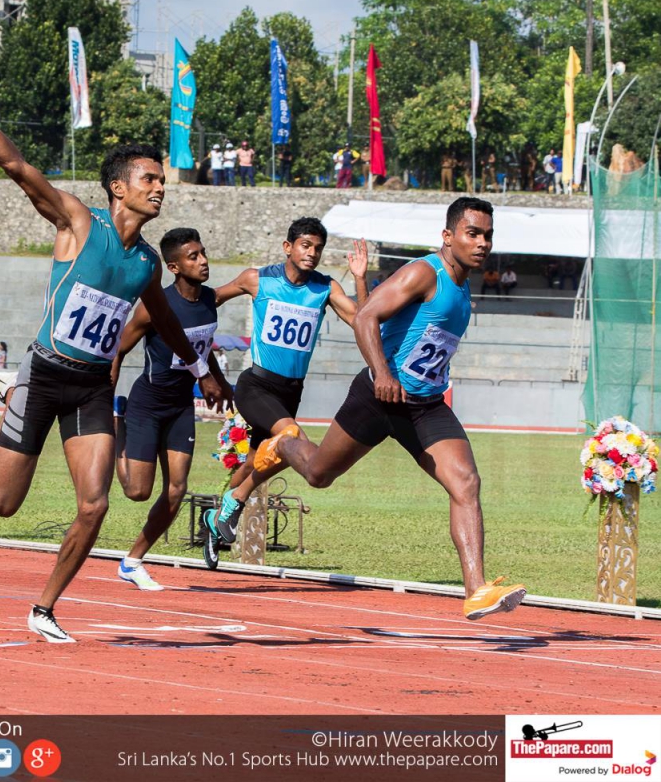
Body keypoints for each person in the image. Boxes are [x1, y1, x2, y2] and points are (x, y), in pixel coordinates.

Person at [0, 61, 224, 643]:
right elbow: (16, 166)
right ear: (119, 187)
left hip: (92, 386)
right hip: (43, 375)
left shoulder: (145, 262)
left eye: (162, 181)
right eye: (149, 180)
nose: (160, 188)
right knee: (0, 506)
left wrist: (201, 368)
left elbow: (163, 318)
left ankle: (44, 608)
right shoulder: (75, 221)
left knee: (95, 505)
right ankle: (2, 415)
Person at [252, 197, 527, 621]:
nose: (482, 242)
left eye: (488, 235)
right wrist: (382, 373)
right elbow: (365, 317)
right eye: (473, 233)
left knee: (466, 483)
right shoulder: (424, 272)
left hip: (426, 406)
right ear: (448, 236)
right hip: (380, 397)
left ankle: (476, 590)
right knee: (318, 474)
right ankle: (284, 445)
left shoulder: (464, 281)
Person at [203, 219, 369, 548]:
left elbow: (362, 320)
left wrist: (361, 279)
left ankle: (217, 514)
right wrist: (189, 334)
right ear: (288, 247)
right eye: (306, 245)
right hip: (256, 386)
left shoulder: (325, 288)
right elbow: (212, 299)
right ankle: (235, 501)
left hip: (291, 392)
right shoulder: (258, 279)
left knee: (257, 460)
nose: (312, 253)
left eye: (318, 248)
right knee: (294, 442)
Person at [110, 228, 231, 590]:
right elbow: (118, 349)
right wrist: (105, 395)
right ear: (174, 267)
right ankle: (119, 424)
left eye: (204, 253)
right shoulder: (154, 306)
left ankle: (132, 561)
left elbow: (202, 345)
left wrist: (220, 382)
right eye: (193, 256)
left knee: (177, 488)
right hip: (147, 403)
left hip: (180, 406)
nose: (204, 260)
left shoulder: (210, 299)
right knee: (137, 491)